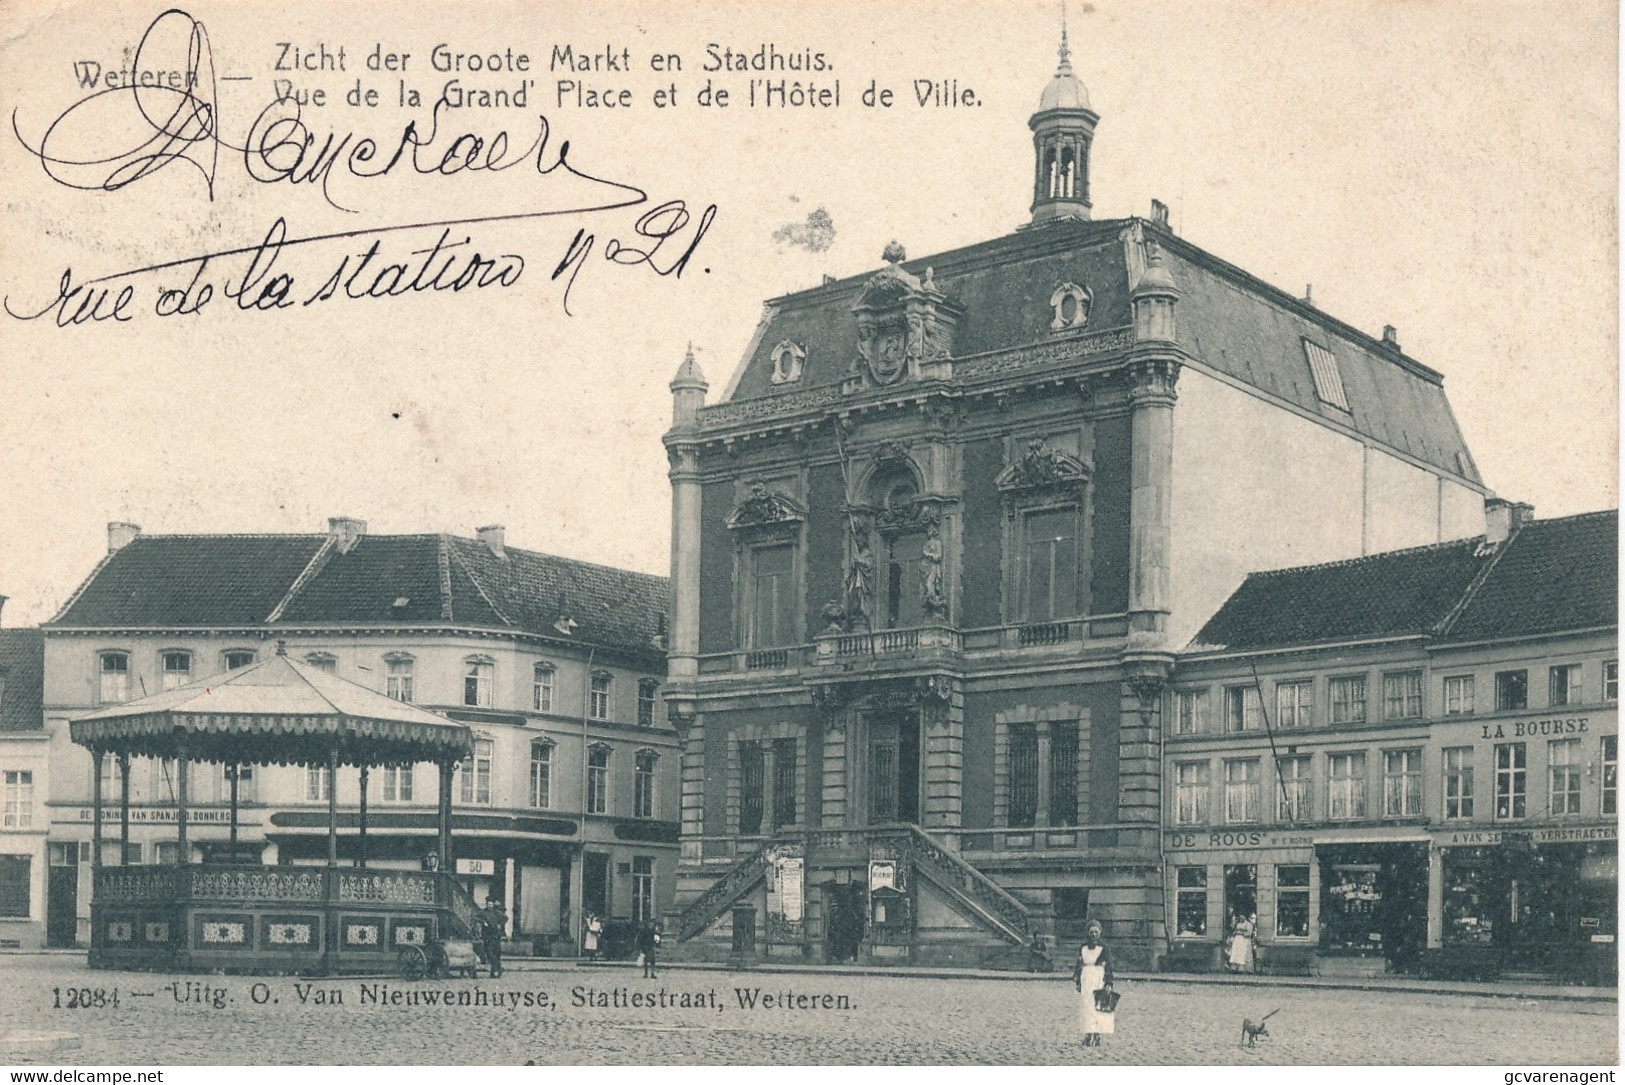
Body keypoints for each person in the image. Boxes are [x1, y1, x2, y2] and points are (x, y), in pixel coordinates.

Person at [1072, 919, 1115, 1047]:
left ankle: (1097, 1035)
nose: (1094, 934)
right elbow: (1079, 963)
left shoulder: (1104, 948)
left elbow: (1109, 966)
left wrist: (1108, 982)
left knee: (1098, 1006)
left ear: (1100, 932)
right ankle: (1088, 1034)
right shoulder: (1083, 947)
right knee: (1087, 1007)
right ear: (1088, 932)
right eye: (1091, 932)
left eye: (1096, 932)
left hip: (1098, 977)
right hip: (1086, 977)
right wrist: (1078, 981)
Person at [480, 899, 506, 978]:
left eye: (491, 905)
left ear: (493, 905)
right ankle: (498, 967)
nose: (490, 906)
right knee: (489, 953)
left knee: (496, 953)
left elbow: (505, 918)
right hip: (487, 936)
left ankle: (493, 972)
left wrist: (500, 924)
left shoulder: (497, 913)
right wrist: (482, 922)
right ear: (486, 904)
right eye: (488, 904)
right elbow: (475, 917)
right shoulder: (483, 912)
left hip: (496, 936)